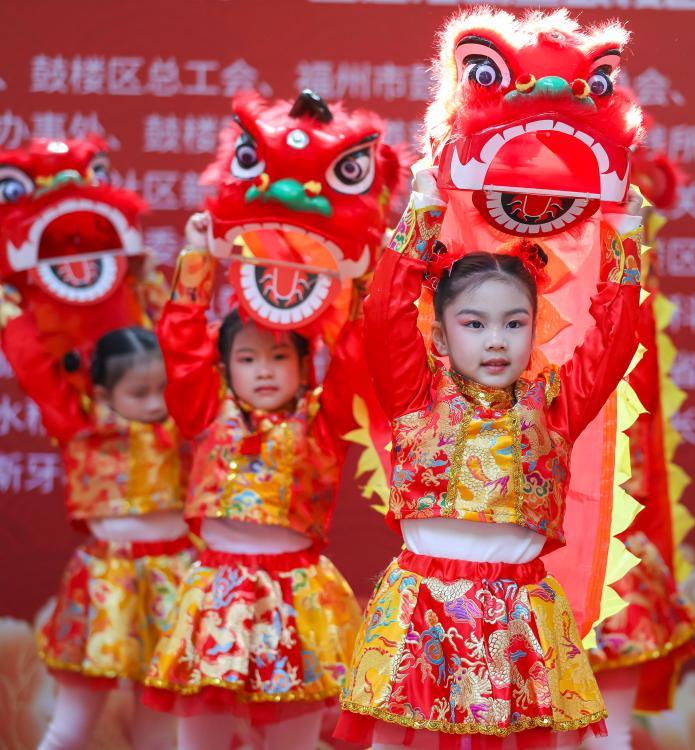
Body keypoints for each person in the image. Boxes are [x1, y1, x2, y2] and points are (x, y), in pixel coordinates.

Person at [334, 183, 642, 748]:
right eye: (474, 324)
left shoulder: (554, 406)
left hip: (519, 611)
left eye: (514, 323)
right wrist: (423, 205)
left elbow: (613, 343)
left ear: (536, 328)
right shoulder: (414, 397)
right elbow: (382, 312)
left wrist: (623, 239)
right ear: (440, 334)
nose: (496, 341)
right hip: (422, 604)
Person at [143, 217, 363, 750]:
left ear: (304, 365)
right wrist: (197, 255)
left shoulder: (322, 420)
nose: (263, 370)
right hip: (216, 594)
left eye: (278, 356)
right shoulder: (206, 412)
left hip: (298, 595)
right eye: (247, 358)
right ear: (224, 368)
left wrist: (355, 282)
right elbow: (181, 344)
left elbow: (355, 358)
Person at [0, 313, 191, 750]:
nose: (153, 402)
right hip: (108, 581)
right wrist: (11, 313)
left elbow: (189, 346)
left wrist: (149, 279)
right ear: (103, 393)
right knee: (71, 726)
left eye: (161, 388)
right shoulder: (82, 430)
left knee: (158, 729)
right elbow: (34, 370)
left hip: (173, 579)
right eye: (138, 393)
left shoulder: (181, 428)